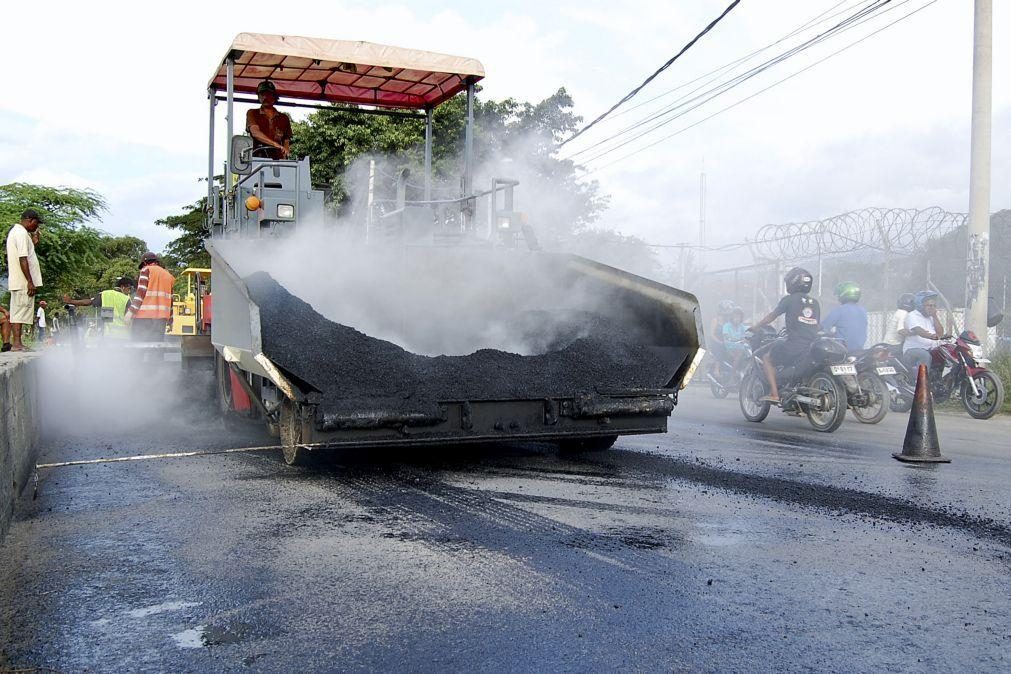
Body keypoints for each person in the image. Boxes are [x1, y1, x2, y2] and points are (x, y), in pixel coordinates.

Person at [749, 267, 820, 404]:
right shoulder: (815, 303)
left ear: (792, 283)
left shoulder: (789, 299)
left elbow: (771, 316)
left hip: (794, 344)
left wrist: (756, 326)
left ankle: (775, 394)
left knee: (767, 359)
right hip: (811, 345)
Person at [5, 209, 43, 352]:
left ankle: (17, 342)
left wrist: (33, 243)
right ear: (31, 220)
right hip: (22, 282)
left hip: (18, 281)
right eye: (36, 223)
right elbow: (23, 258)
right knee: (20, 312)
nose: (36, 227)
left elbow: (25, 253)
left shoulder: (16, 232)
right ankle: (17, 343)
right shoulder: (21, 233)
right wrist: (29, 281)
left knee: (18, 312)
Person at [63, 276, 135, 339]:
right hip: (123, 337)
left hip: (108, 337)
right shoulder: (127, 299)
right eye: (129, 288)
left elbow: (88, 302)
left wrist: (71, 301)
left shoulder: (105, 294)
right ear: (122, 287)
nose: (130, 290)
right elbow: (130, 318)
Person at [125, 253, 175, 342]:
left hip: (144, 319)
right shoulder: (168, 276)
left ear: (145, 262)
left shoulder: (146, 270)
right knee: (156, 348)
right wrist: (171, 321)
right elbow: (171, 300)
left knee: (138, 348)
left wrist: (130, 312)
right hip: (161, 320)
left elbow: (141, 293)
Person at [246, 80, 292, 160]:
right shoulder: (252, 113)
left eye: (268, 94)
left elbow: (286, 141)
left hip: (278, 161)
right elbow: (255, 132)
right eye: (262, 94)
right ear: (258, 97)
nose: (265, 97)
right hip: (257, 160)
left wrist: (285, 156)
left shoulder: (284, 118)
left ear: (274, 97)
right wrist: (275, 144)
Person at [902, 291, 948, 371]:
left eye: (934, 306)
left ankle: (939, 381)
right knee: (924, 355)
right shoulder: (912, 315)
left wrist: (935, 316)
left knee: (942, 354)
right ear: (920, 305)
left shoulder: (930, 317)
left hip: (930, 348)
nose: (932, 308)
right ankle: (921, 382)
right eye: (929, 305)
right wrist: (931, 336)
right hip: (912, 350)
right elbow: (918, 330)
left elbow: (940, 333)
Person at [820, 281, 867, 351]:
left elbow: (823, 328)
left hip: (843, 351)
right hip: (859, 351)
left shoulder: (839, 310)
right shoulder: (863, 311)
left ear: (842, 295)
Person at [708, 300, 735, 377]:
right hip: (716, 343)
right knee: (720, 348)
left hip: (727, 342)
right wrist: (720, 342)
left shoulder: (729, 322)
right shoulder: (715, 320)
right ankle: (716, 369)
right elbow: (712, 334)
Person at [722, 306, 748, 371]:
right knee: (739, 354)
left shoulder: (742, 326)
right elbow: (726, 335)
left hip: (741, 346)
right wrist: (732, 339)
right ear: (732, 317)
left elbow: (746, 334)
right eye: (736, 316)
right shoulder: (727, 326)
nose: (737, 318)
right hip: (730, 347)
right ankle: (732, 375)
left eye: (739, 317)